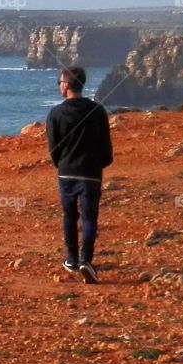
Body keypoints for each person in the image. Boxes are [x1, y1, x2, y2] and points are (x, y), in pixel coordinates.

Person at [45, 66, 113, 283]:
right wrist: (99, 164)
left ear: (65, 85)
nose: (59, 86)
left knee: (69, 215)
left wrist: (61, 165)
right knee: (89, 217)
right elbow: (106, 147)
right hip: (91, 173)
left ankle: (72, 259)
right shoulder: (98, 111)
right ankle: (86, 260)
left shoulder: (55, 114)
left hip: (66, 173)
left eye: (59, 83)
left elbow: (53, 148)